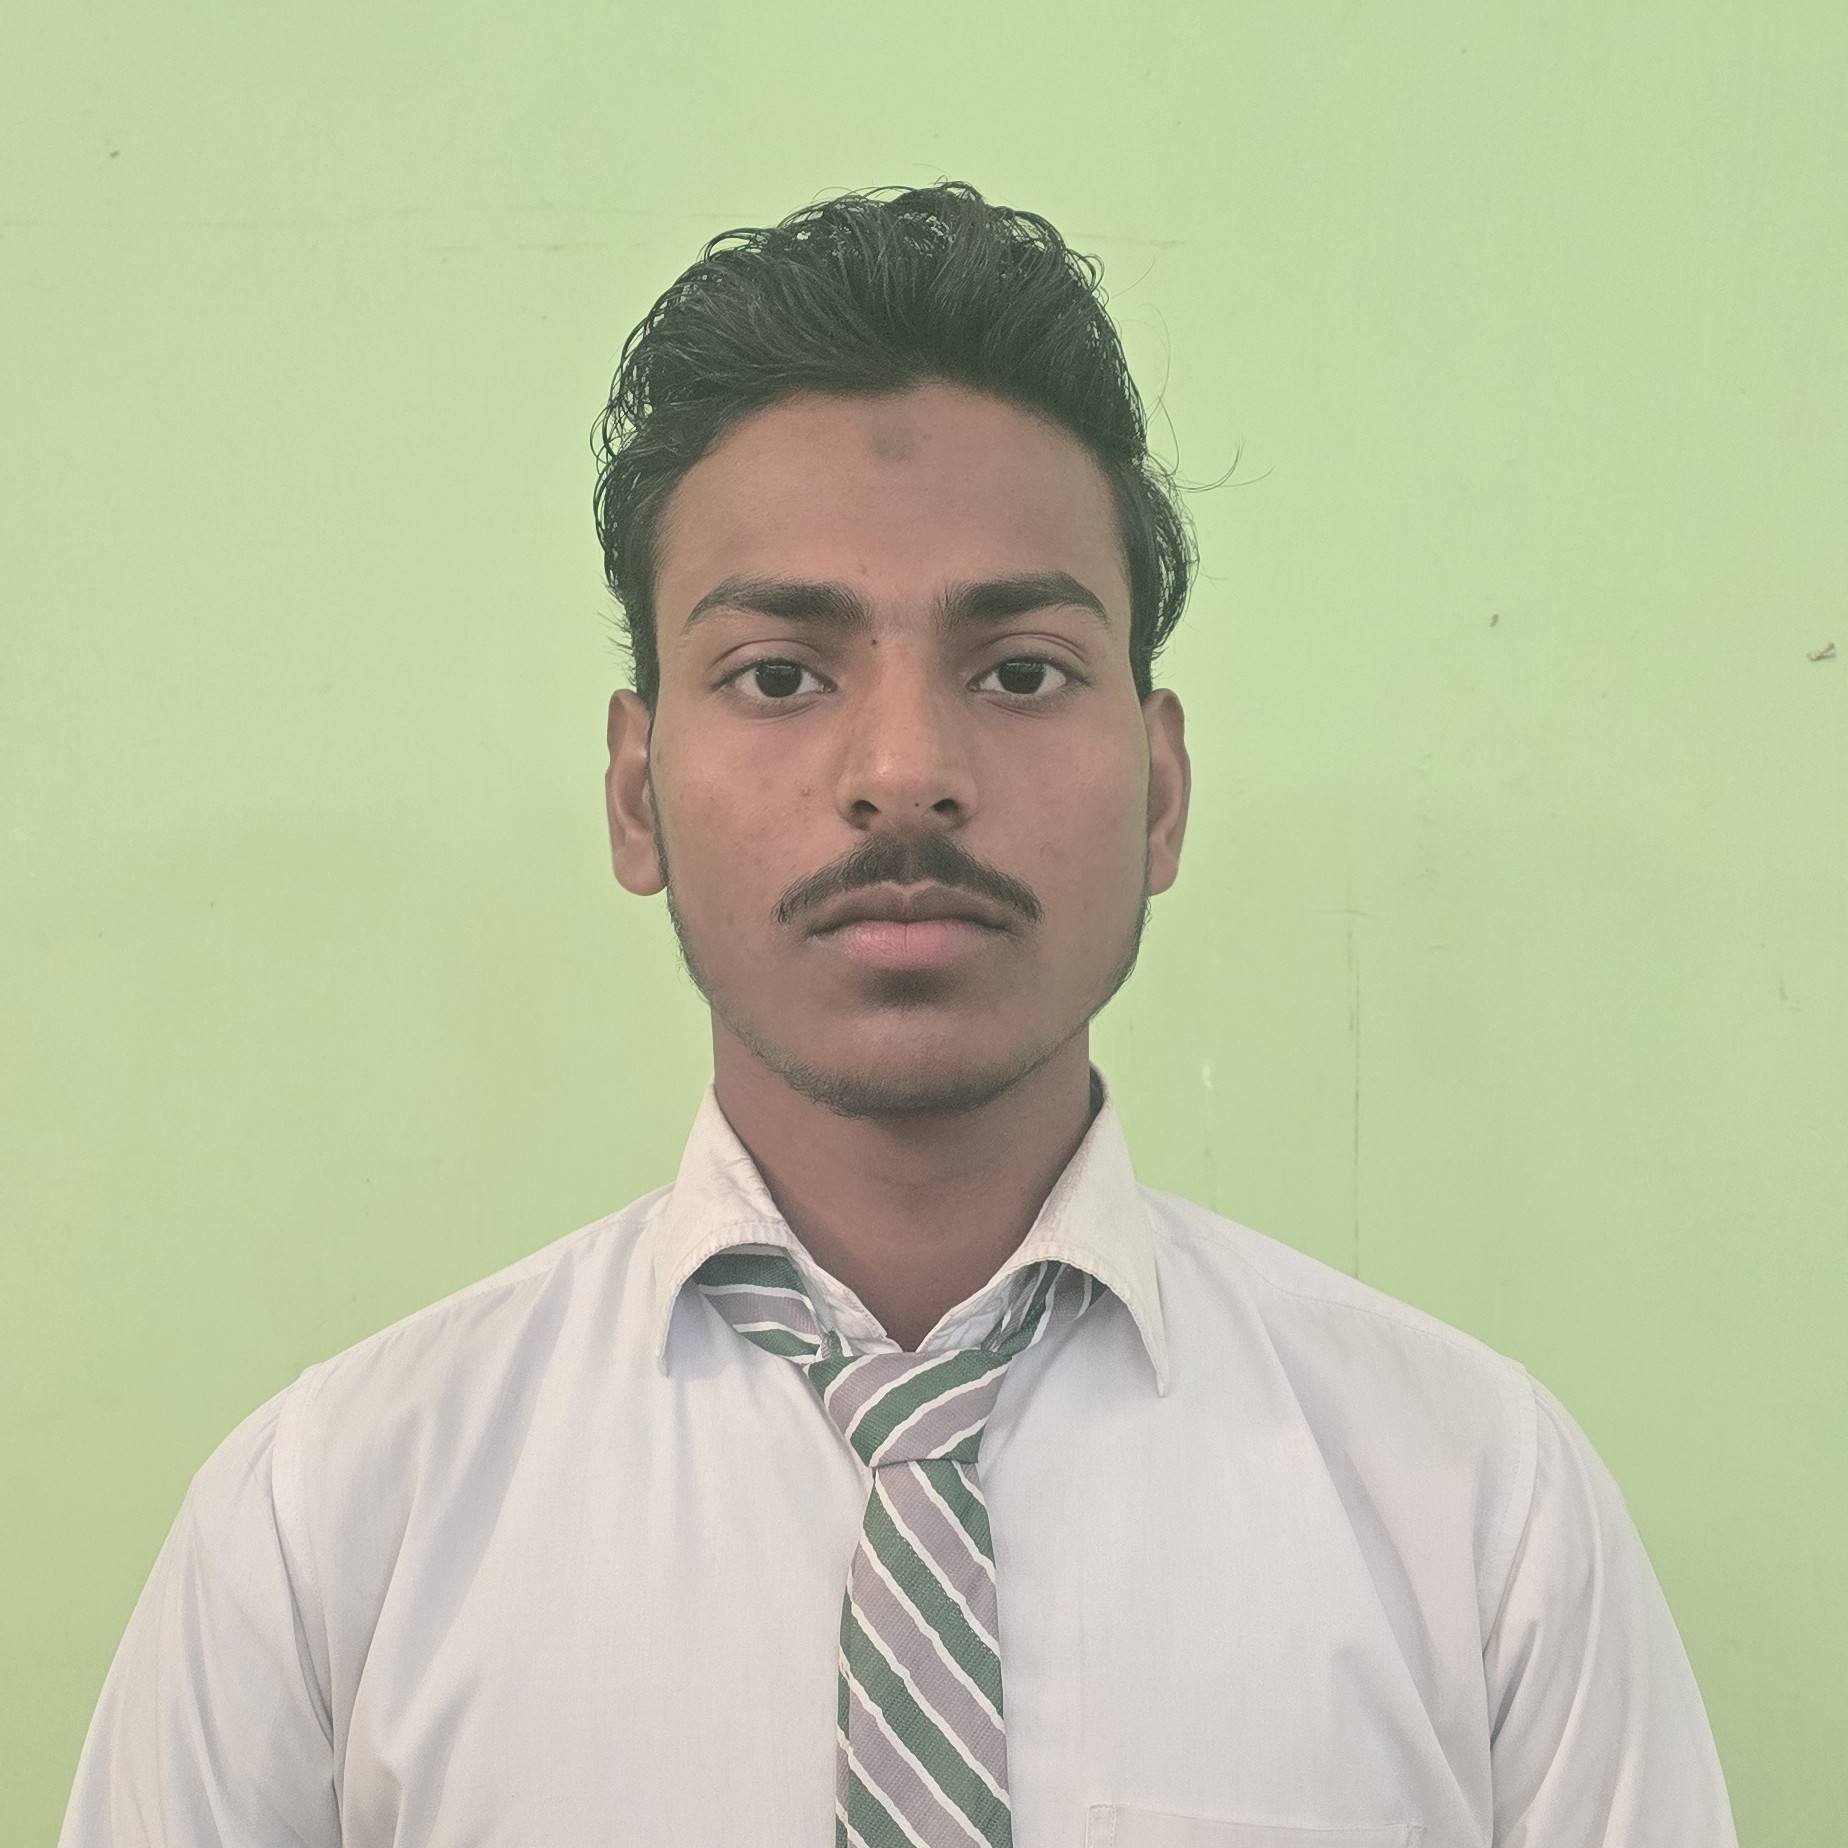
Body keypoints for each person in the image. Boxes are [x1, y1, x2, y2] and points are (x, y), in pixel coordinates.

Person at [58, 180, 1739, 1847]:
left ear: (1162, 792)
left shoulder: (1479, 1513)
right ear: (637, 795)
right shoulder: (330, 1529)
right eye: (780, 676)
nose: (907, 772)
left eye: (1021, 672)